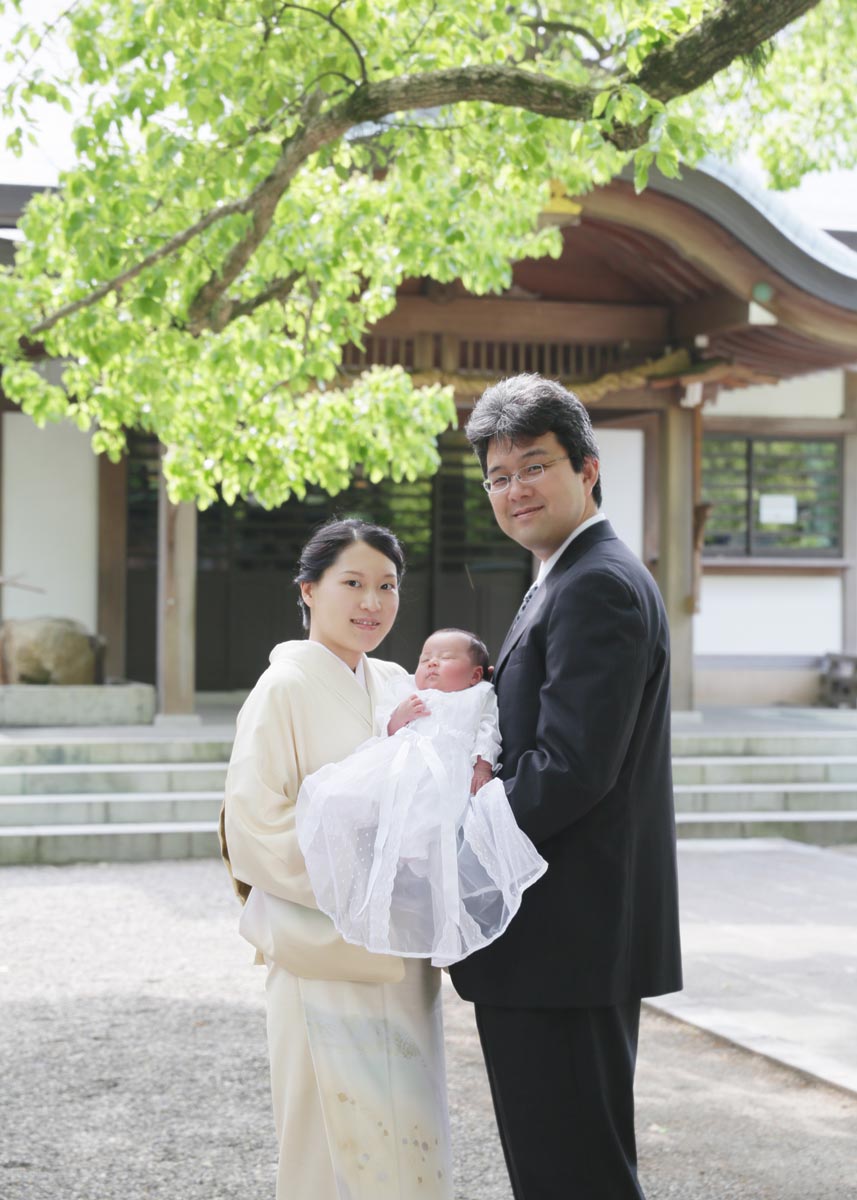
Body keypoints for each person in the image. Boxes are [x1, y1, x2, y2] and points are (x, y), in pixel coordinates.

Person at [449, 374, 683, 1200]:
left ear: (587, 468)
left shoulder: (596, 585)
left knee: (575, 1173)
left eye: (533, 466)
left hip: (567, 938)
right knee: (560, 1167)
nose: (513, 489)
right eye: (497, 476)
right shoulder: (565, 574)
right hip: (560, 938)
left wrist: (459, 841)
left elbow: (571, 768)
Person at [219, 518, 453, 1200]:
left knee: (408, 1125)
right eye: (352, 583)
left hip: (398, 944)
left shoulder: (397, 683)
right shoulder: (283, 689)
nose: (372, 602)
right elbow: (254, 823)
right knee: (329, 1133)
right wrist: (368, 865)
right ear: (308, 590)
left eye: (387, 585)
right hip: (320, 944)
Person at [296, 628, 547, 968]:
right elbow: (386, 726)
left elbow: (489, 731)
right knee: (343, 795)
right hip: (399, 763)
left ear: (475, 675)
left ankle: (423, 883)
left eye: (445, 658)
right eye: (425, 658)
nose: (431, 664)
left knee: (432, 822)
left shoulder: (478, 696)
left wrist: (483, 765)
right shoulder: (406, 690)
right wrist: (400, 716)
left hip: (445, 770)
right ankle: (352, 856)